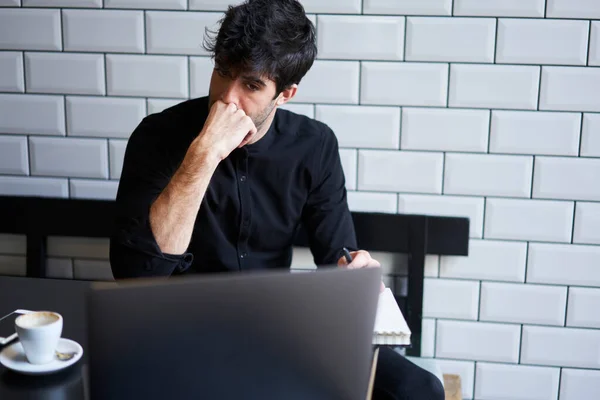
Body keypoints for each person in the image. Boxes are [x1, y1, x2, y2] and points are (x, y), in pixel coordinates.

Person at [109, 1, 444, 399]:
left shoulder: (315, 145)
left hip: (279, 327)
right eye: (222, 72)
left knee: (421, 388)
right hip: (181, 331)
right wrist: (202, 157)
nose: (227, 99)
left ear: (285, 93)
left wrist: (352, 269)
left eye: (251, 85)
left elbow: (335, 253)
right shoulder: (158, 136)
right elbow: (136, 276)